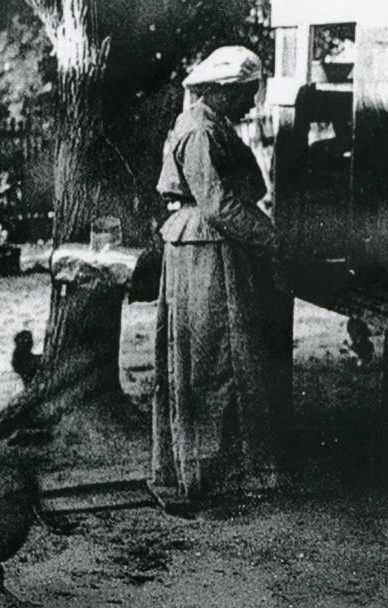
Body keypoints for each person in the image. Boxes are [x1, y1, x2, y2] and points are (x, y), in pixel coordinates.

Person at [151, 46, 292, 502]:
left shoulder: (215, 127)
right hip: (202, 247)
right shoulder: (198, 129)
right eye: (247, 93)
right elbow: (219, 204)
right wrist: (274, 240)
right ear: (224, 90)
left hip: (217, 245)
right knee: (210, 358)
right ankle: (207, 473)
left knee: (227, 354)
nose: (252, 103)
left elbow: (252, 187)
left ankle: (228, 468)